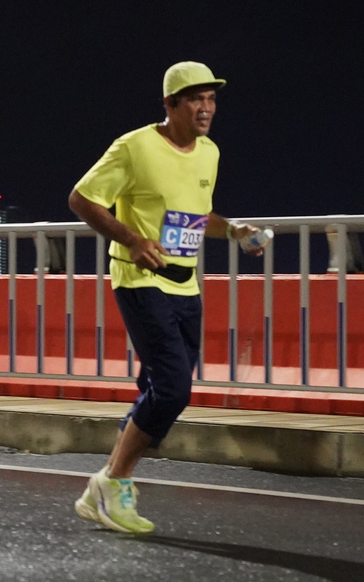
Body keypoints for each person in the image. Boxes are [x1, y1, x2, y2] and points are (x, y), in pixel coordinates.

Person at [68, 60, 265, 534]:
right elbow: (82, 198)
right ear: (171, 104)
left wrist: (233, 230)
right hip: (140, 280)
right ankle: (114, 482)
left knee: (159, 389)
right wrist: (133, 239)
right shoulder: (134, 147)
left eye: (211, 99)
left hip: (186, 283)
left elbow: (196, 215)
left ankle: (104, 488)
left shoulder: (209, 152)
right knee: (174, 388)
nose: (206, 108)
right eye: (196, 99)